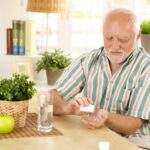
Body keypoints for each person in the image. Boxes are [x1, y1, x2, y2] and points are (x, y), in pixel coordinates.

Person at [51, 8, 150, 149]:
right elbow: (51, 97)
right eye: (109, 38)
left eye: (123, 40)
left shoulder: (147, 68)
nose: (114, 46)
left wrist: (106, 117)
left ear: (138, 36)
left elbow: (134, 124)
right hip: (95, 138)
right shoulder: (88, 60)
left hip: (134, 143)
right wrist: (66, 107)